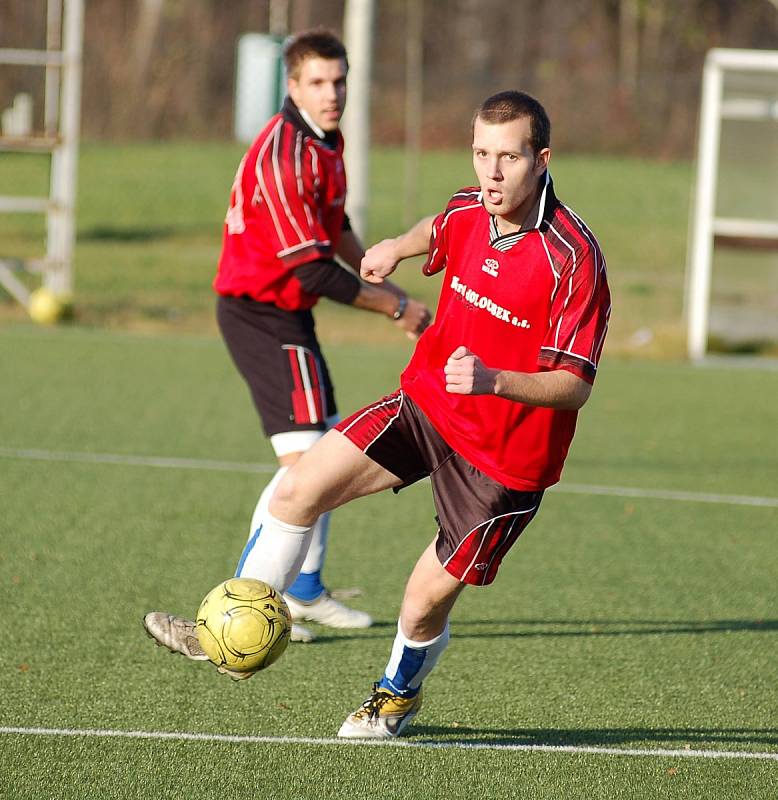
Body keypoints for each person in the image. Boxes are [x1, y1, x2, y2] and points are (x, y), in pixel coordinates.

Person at [146, 89, 611, 735]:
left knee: (420, 607)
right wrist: (396, 246)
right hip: (426, 406)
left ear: (542, 158)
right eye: (482, 153)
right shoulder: (470, 208)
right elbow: (438, 227)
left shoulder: (574, 258)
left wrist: (494, 379)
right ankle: (223, 630)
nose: (492, 172)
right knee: (298, 489)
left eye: (509, 157)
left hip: (502, 462)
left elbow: (575, 383)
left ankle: (396, 697)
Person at [143, 29, 430, 651]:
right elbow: (308, 269)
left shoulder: (325, 140)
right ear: (293, 86)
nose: (333, 93)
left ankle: (300, 592)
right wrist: (396, 306)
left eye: (340, 80)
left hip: (286, 315)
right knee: (307, 468)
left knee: (323, 453)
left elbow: (336, 225)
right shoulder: (283, 153)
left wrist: (372, 261)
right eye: (319, 82)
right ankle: (224, 623)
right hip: (261, 315)